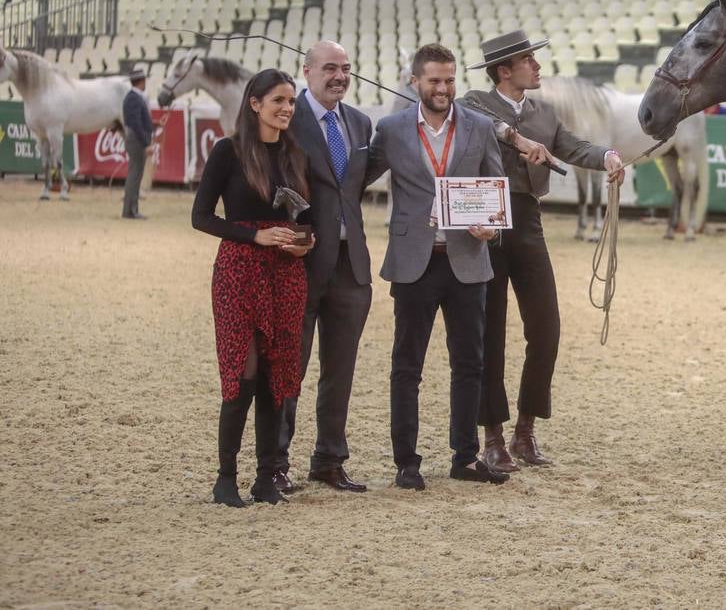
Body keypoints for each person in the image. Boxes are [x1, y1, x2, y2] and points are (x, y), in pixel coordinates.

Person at [461, 30, 625, 472]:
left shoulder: (544, 113)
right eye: (528, 60)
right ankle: (492, 435)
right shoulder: (475, 103)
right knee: (490, 334)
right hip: (489, 222)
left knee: (546, 328)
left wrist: (607, 155)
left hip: (528, 220)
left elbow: (574, 147)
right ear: (504, 70)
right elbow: (481, 125)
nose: (536, 66)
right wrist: (516, 140)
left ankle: (525, 430)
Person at [366, 43, 509, 489]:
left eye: (449, 80)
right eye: (434, 81)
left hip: (467, 261)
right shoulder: (389, 130)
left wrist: (492, 228)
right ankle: (406, 462)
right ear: (416, 82)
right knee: (407, 366)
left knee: (470, 363)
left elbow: (495, 186)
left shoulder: (480, 127)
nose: (443, 88)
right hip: (415, 263)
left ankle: (464, 457)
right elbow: (355, 179)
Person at [191, 69, 313, 508]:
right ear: (254, 103)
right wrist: (254, 236)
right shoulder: (228, 151)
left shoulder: (296, 155)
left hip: (285, 273)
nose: (286, 109)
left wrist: (304, 244)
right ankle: (226, 478)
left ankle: (266, 479)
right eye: (278, 100)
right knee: (243, 372)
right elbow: (201, 217)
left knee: (276, 375)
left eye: (292, 102)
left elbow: (306, 220)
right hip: (239, 271)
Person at [272, 41, 376, 495]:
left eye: (346, 69)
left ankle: (329, 460)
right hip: (299, 262)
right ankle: (275, 461)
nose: (339, 76)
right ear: (306, 71)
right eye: (329, 68)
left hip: (351, 266)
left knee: (341, 369)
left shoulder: (360, 123)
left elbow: (353, 187)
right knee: (289, 366)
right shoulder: (286, 121)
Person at [121, 67, 153, 220]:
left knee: (135, 174)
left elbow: (138, 121)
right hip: (137, 140)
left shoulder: (132, 97)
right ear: (141, 81)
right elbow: (136, 124)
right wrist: (146, 143)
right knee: (135, 174)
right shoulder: (135, 98)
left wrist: (154, 124)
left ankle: (131, 209)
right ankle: (130, 210)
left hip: (134, 138)